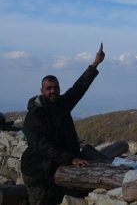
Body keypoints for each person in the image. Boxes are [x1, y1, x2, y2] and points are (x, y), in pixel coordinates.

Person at [21, 43, 105, 205]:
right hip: (37, 170)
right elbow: (42, 146)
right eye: (49, 88)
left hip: (55, 168)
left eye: (56, 87)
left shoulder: (62, 104)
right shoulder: (35, 116)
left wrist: (95, 64)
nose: (53, 91)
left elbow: (79, 88)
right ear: (42, 90)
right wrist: (71, 158)